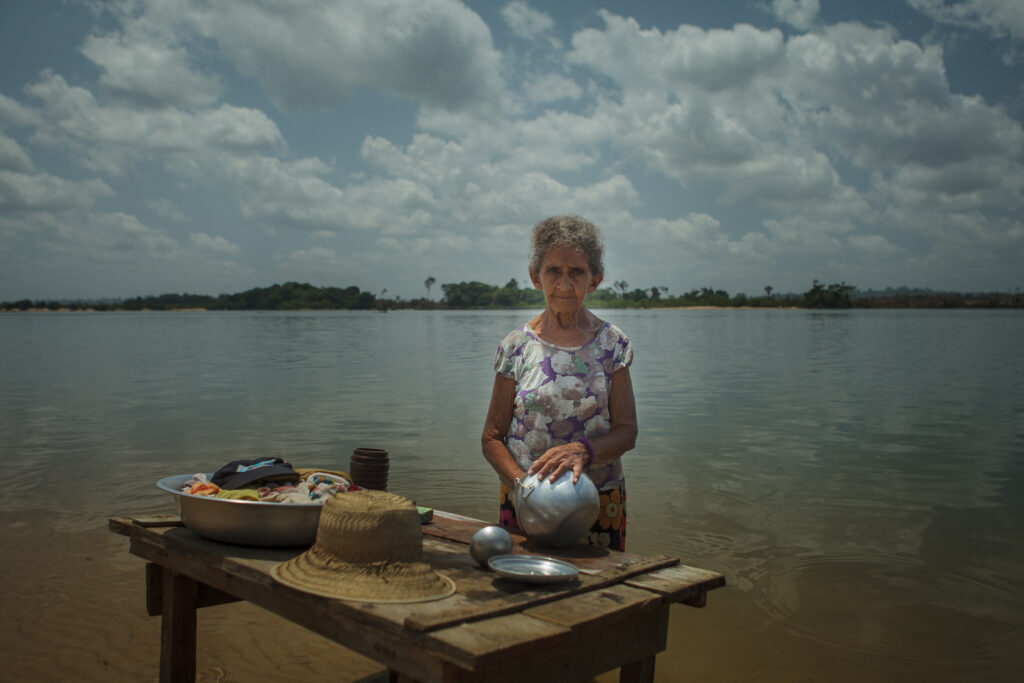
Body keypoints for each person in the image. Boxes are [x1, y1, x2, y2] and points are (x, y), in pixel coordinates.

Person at [481, 215, 638, 551]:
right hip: (526, 503)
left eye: (576, 272)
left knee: (604, 596)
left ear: (594, 281)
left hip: (598, 502)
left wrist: (582, 451)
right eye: (553, 271)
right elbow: (492, 437)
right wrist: (525, 489)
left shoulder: (613, 345)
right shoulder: (515, 347)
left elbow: (627, 432)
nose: (564, 283)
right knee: (526, 591)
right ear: (535, 277)